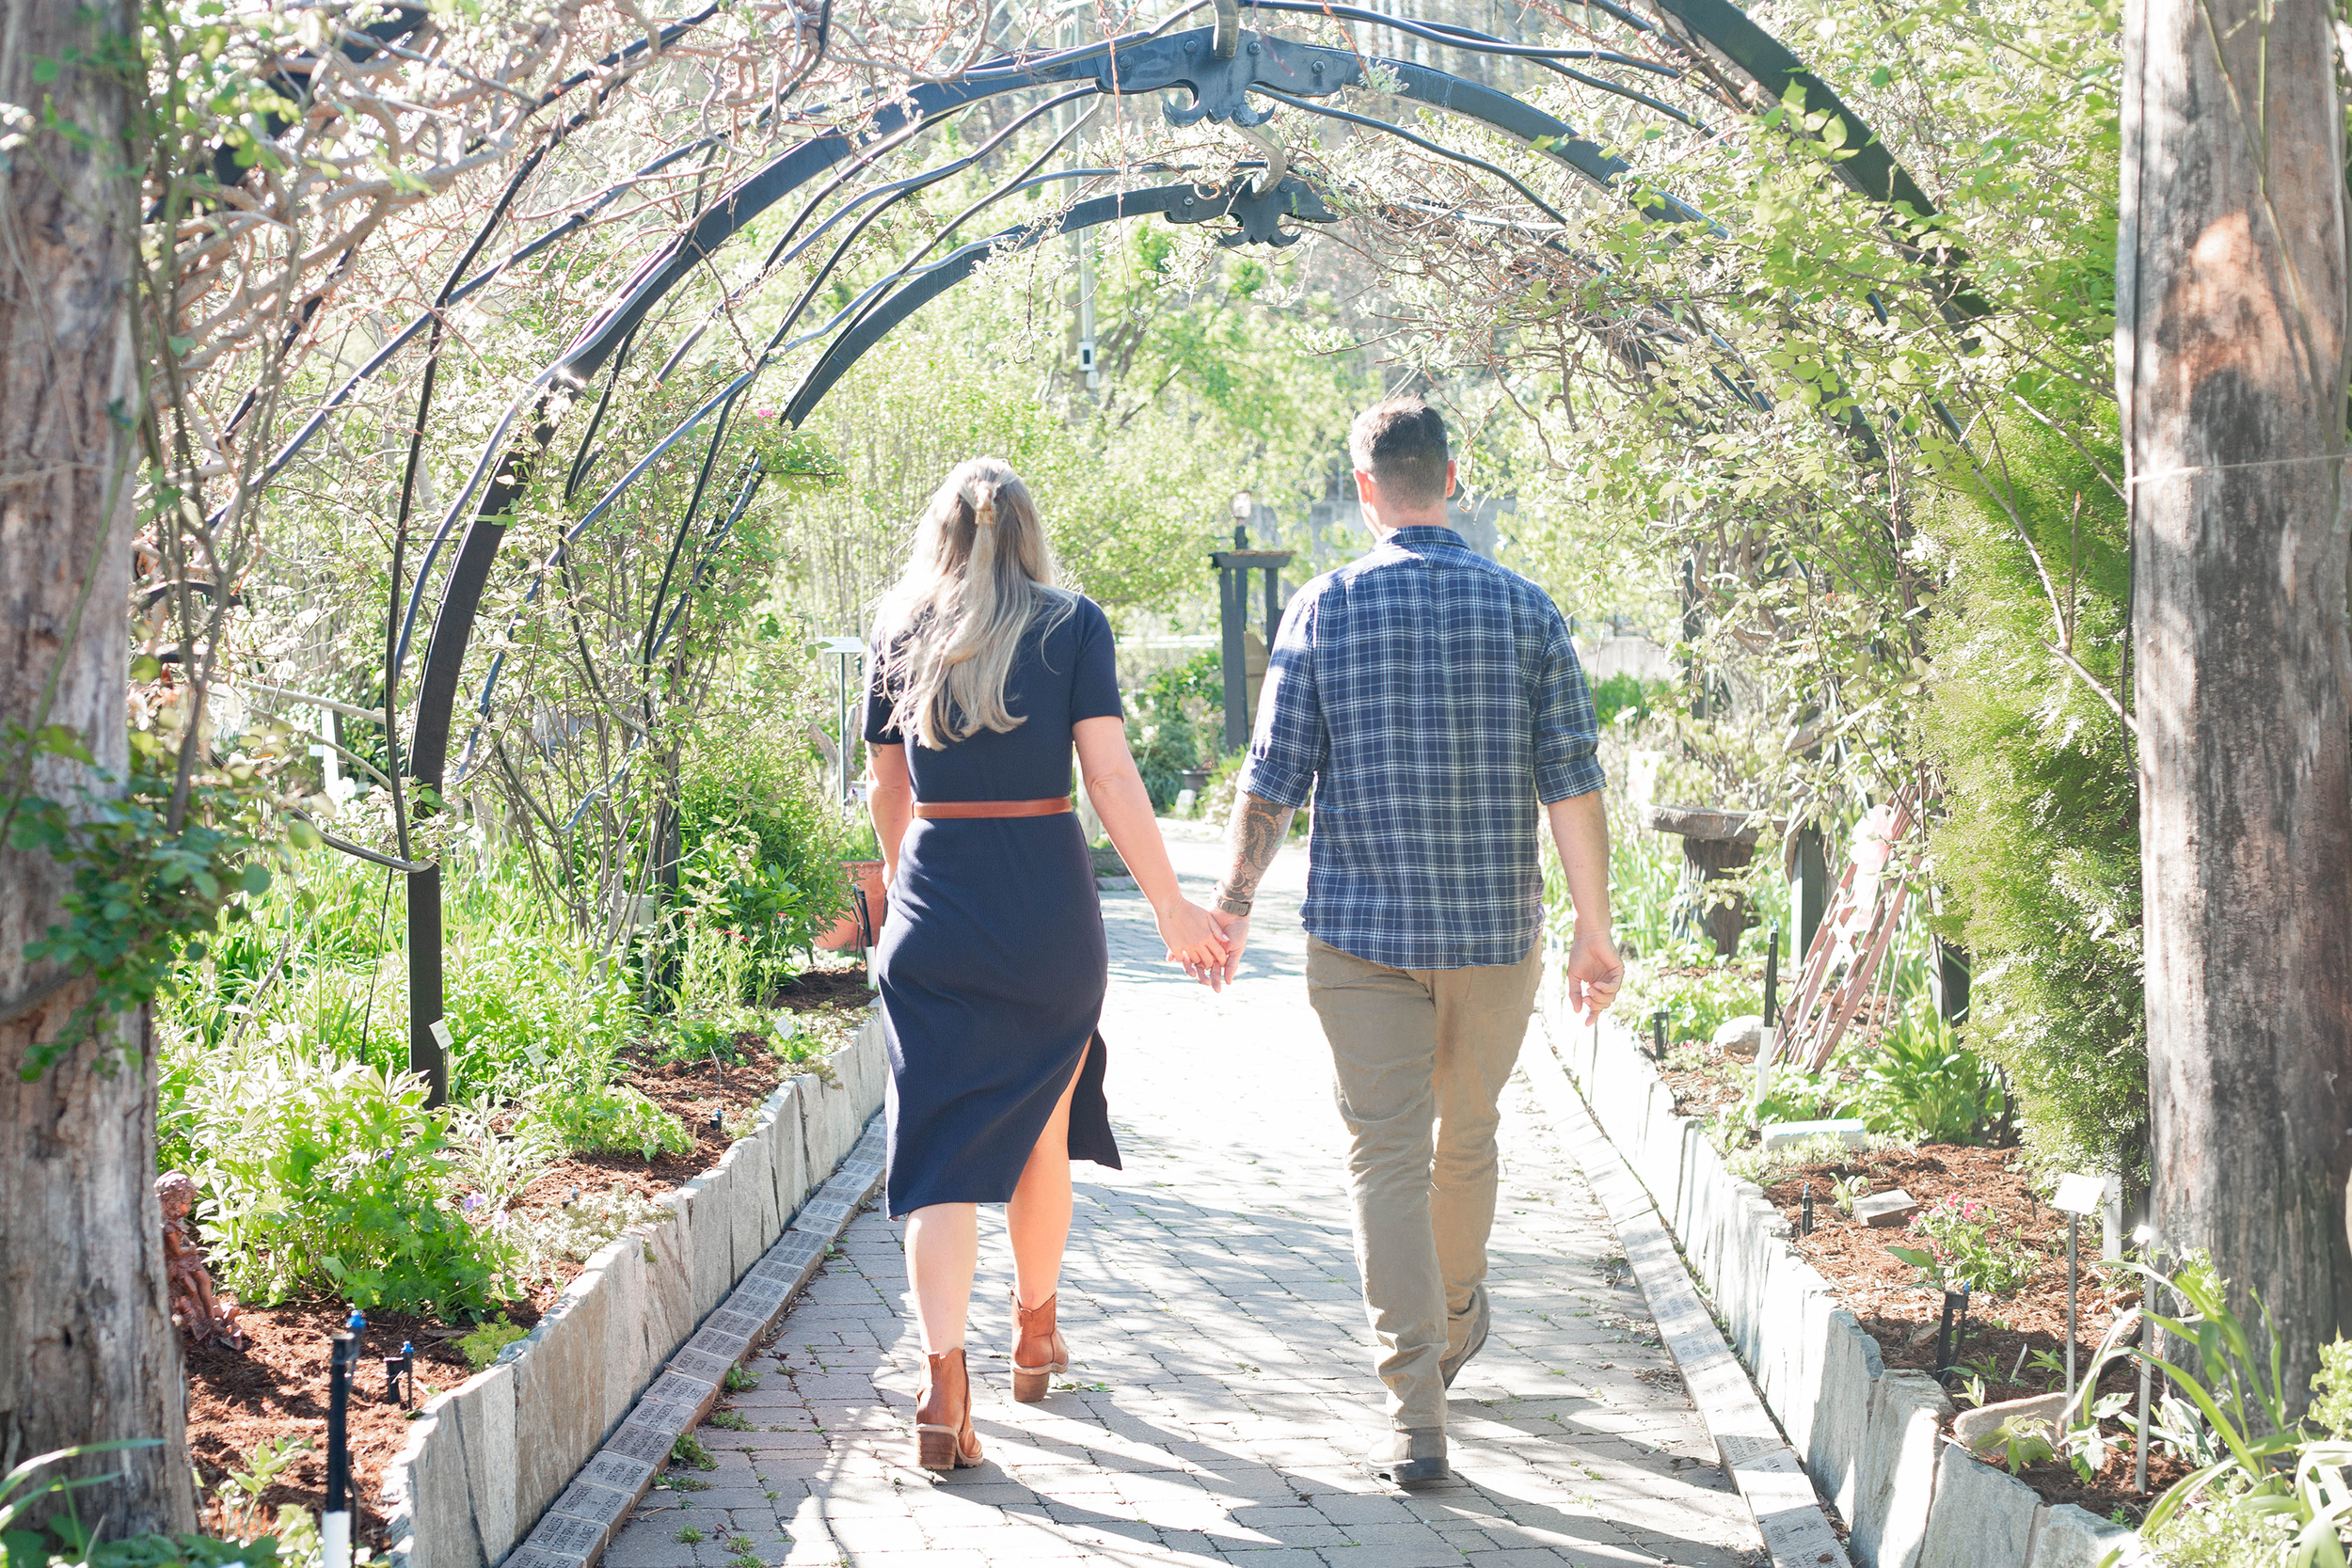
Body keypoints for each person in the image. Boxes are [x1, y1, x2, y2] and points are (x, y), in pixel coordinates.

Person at [1202, 397, 1623, 1488]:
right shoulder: (1528, 610)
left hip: (1359, 938)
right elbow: (1572, 780)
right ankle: (1453, 1312)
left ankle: (1414, 1407)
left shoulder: (1323, 607)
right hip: (1493, 933)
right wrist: (1596, 930)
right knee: (1469, 1136)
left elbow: (1270, 781)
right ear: (1453, 478)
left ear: (1365, 488)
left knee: (1382, 1155)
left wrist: (1232, 906)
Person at [862, 456, 1229, 1474]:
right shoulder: (1073, 624)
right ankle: (1034, 1329)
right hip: (1046, 902)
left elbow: (887, 785)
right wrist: (1172, 906)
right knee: (1043, 1128)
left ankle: (943, 1385)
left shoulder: (898, 627)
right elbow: (1107, 770)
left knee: (934, 1153)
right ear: (1028, 531)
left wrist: (900, 891)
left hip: (938, 892)